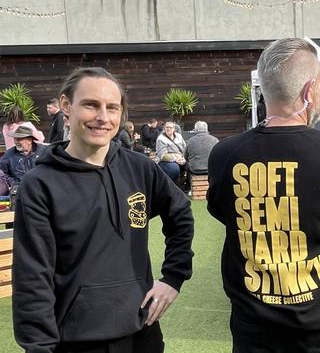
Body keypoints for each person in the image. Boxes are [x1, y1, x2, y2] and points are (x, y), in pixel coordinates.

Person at [12, 67, 195, 353]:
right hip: (75, 341)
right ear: (65, 106)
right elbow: (33, 277)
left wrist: (173, 276)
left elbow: (180, 213)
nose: (103, 117)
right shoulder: (39, 184)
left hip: (141, 333)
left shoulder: (140, 168)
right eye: (90, 105)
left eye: (112, 107)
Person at [207, 38, 320, 353]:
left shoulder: (225, 155)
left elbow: (223, 212)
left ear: (265, 89)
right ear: (309, 92)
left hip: (254, 329)